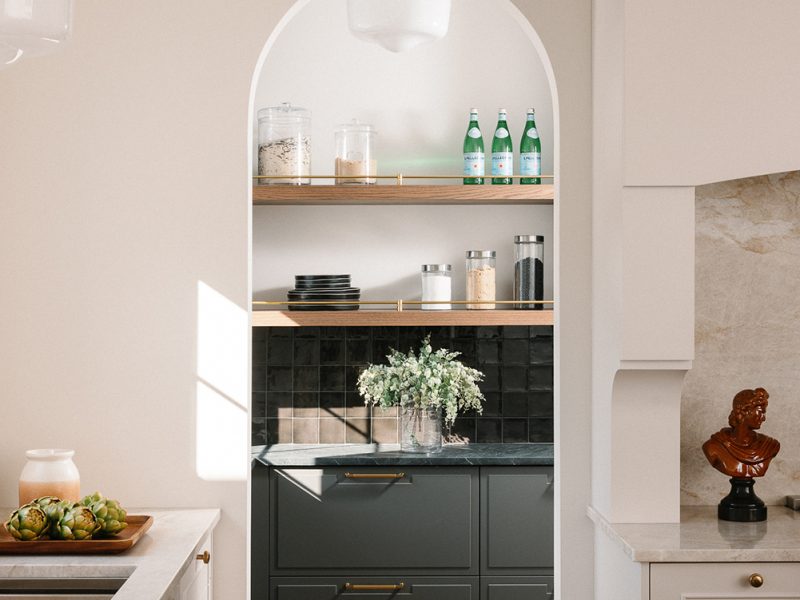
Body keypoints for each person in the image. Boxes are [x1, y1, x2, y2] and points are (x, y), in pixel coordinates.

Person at [702, 387, 780, 479]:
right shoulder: (713, 447)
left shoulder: (770, 445)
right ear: (745, 411)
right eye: (760, 412)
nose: (763, 418)